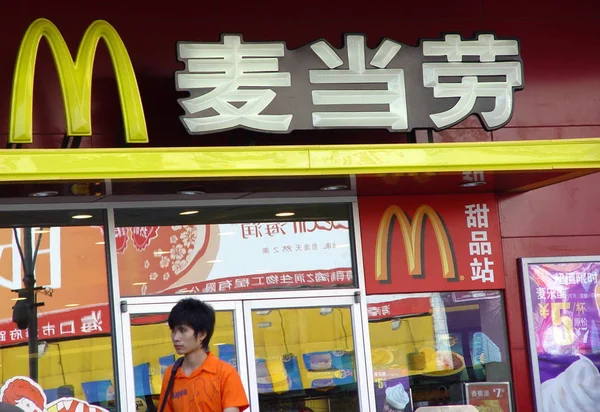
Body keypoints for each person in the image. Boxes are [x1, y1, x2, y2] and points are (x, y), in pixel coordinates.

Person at [158, 298, 249, 412]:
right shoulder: (171, 374)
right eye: (173, 331)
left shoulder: (225, 373)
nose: (176, 337)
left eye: (182, 331)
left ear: (202, 334)